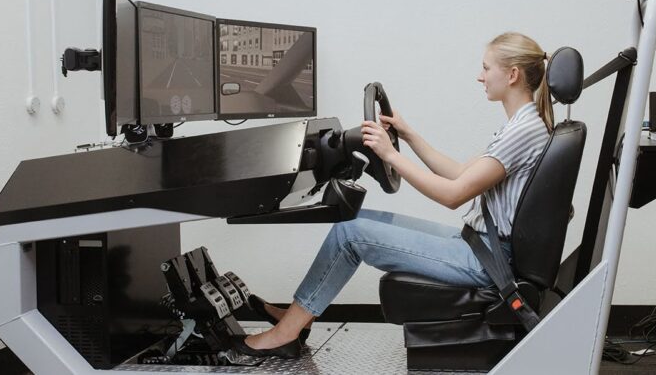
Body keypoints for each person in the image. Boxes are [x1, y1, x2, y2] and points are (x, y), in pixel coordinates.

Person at [232, 32, 554, 358]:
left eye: (486, 68)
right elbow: (459, 172)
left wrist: (390, 155)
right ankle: (297, 318)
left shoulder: (523, 131)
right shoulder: (523, 125)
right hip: (480, 245)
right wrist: (408, 135)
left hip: (485, 259)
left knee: (349, 232)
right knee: (356, 220)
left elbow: (454, 195)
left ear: (512, 75)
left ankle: (287, 333)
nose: (480, 76)